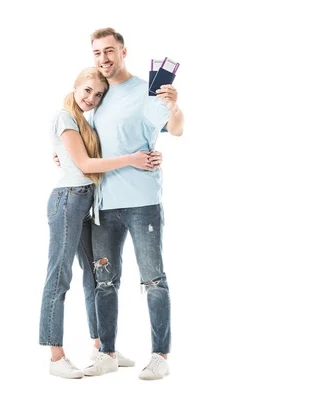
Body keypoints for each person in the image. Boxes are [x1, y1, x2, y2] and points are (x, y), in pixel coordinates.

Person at [56, 28, 185, 380]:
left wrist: (173, 107)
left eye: (109, 51)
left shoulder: (144, 91)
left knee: (153, 280)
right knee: (104, 281)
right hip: (104, 204)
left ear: (123, 51)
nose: (103, 59)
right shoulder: (97, 96)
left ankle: (160, 354)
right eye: (97, 53)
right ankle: (107, 353)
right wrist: (64, 159)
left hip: (143, 202)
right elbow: (88, 145)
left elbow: (175, 129)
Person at [39, 66, 162, 379]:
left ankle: (101, 347)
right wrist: (132, 159)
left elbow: (97, 151)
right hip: (68, 200)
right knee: (59, 276)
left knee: (96, 276)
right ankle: (56, 357)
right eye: (87, 91)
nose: (91, 98)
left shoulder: (86, 121)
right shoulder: (65, 116)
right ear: (75, 86)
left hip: (89, 201)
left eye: (98, 95)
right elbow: (85, 163)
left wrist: (150, 155)